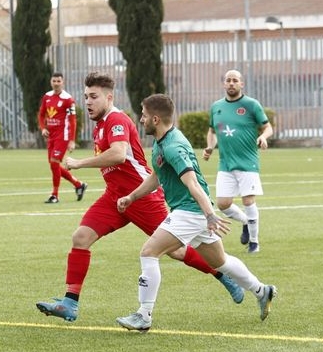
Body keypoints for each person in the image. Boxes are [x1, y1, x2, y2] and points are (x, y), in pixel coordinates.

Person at [36, 72, 244, 323]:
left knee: (176, 252)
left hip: (142, 197)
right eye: (85, 97)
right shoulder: (100, 124)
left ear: (109, 97)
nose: (88, 102)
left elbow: (119, 154)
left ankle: (223, 275)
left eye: (93, 97)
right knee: (81, 237)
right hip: (115, 197)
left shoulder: (116, 120)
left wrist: (80, 163)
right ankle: (70, 302)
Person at [115, 93, 276, 332]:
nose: (141, 119)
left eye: (145, 115)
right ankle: (262, 290)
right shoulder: (162, 141)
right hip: (195, 214)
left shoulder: (173, 146)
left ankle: (143, 315)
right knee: (220, 262)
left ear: (156, 119)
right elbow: (157, 176)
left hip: (190, 212)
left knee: (149, 252)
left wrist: (209, 215)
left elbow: (192, 183)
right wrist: (132, 197)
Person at [203, 69, 273, 253]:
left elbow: (268, 128)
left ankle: (254, 243)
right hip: (225, 163)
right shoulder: (216, 106)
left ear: (242, 84)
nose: (231, 83)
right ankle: (245, 223)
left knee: (248, 201)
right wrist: (210, 147)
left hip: (247, 162)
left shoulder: (251, 105)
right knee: (223, 204)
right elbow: (212, 131)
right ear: (224, 84)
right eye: (228, 80)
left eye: (235, 80)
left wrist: (263, 137)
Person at [37, 72, 87, 204]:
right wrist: (43, 128)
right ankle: (78, 184)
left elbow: (72, 121)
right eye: (54, 81)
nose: (56, 83)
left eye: (59, 81)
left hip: (62, 136)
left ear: (62, 82)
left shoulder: (68, 99)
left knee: (54, 163)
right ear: (51, 82)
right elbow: (41, 115)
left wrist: (71, 140)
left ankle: (55, 195)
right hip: (51, 137)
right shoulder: (47, 97)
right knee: (54, 165)